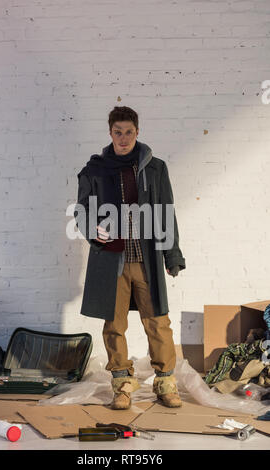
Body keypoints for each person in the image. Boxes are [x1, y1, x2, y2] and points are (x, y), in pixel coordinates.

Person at [74, 106, 186, 409]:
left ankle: (165, 383)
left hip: (146, 259)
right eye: (117, 132)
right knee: (114, 325)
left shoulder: (155, 168)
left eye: (129, 132)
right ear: (110, 133)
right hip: (112, 262)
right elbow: (81, 210)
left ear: (138, 132)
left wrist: (171, 254)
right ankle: (122, 384)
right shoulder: (94, 169)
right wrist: (89, 227)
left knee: (158, 322)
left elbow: (166, 212)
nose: (123, 138)